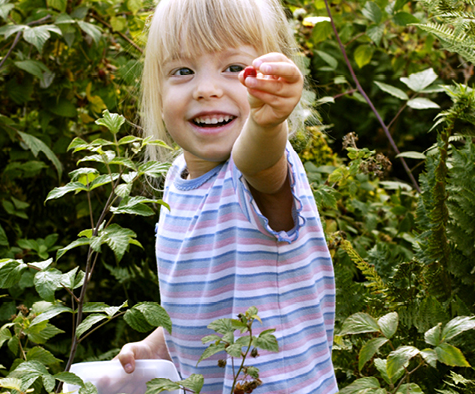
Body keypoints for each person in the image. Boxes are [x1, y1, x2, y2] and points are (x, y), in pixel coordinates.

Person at [116, 0, 337, 392]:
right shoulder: (177, 181)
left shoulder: (258, 169)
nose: (206, 89)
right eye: (182, 71)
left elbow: (258, 159)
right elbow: (201, 303)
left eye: (235, 69)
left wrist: (267, 124)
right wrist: (158, 346)